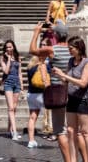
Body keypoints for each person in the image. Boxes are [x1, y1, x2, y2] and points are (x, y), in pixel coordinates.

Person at [29, 21, 73, 162]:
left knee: (60, 130)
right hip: (72, 90)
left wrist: (36, 32)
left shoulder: (52, 50)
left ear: (56, 35)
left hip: (57, 93)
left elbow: (32, 50)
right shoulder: (73, 49)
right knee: (73, 129)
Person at [52, 36, 88, 162]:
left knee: (86, 132)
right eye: (69, 48)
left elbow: (83, 83)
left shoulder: (87, 63)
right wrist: (60, 75)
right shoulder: (71, 61)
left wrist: (64, 75)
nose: (69, 50)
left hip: (85, 100)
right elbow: (66, 81)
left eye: (71, 48)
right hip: (71, 99)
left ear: (79, 48)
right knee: (71, 131)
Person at [24, 52, 50, 149]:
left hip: (30, 94)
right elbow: (44, 80)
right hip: (40, 94)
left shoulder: (30, 67)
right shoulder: (42, 66)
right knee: (49, 115)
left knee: (32, 118)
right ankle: (53, 134)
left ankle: (31, 141)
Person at [0, 40, 23, 141]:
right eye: (7, 47)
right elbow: (6, 71)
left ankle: (9, 129)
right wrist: (9, 59)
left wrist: (22, 87)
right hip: (8, 83)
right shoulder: (3, 58)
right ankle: (14, 131)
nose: (8, 49)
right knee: (10, 108)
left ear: (13, 47)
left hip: (16, 84)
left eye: (10, 47)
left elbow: (20, 73)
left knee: (14, 107)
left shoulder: (18, 57)